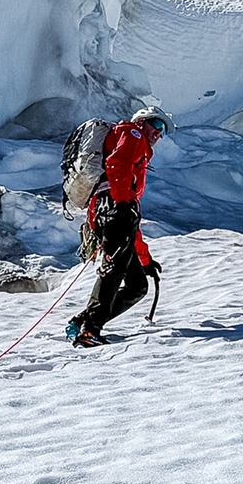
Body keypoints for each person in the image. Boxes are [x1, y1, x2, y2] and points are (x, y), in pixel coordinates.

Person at [67, 106, 169, 347]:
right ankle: (89, 330)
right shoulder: (132, 134)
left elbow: (130, 227)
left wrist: (145, 261)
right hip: (111, 205)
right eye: (157, 124)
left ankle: (82, 322)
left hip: (114, 209)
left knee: (137, 285)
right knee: (115, 267)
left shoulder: (137, 146)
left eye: (163, 130)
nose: (159, 133)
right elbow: (117, 163)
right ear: (142, 122)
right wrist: (122, 202)